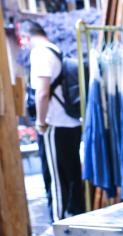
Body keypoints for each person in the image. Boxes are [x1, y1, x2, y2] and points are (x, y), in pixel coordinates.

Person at [20, 20, 85, 222]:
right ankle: (76, 219)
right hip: (71, 122)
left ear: (26, 36)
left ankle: (59, 223)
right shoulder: (56, 50)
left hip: (54, 124)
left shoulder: (40, 53)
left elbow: (42, 92)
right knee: (72, 175)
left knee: (56, 177)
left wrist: (40, 122)